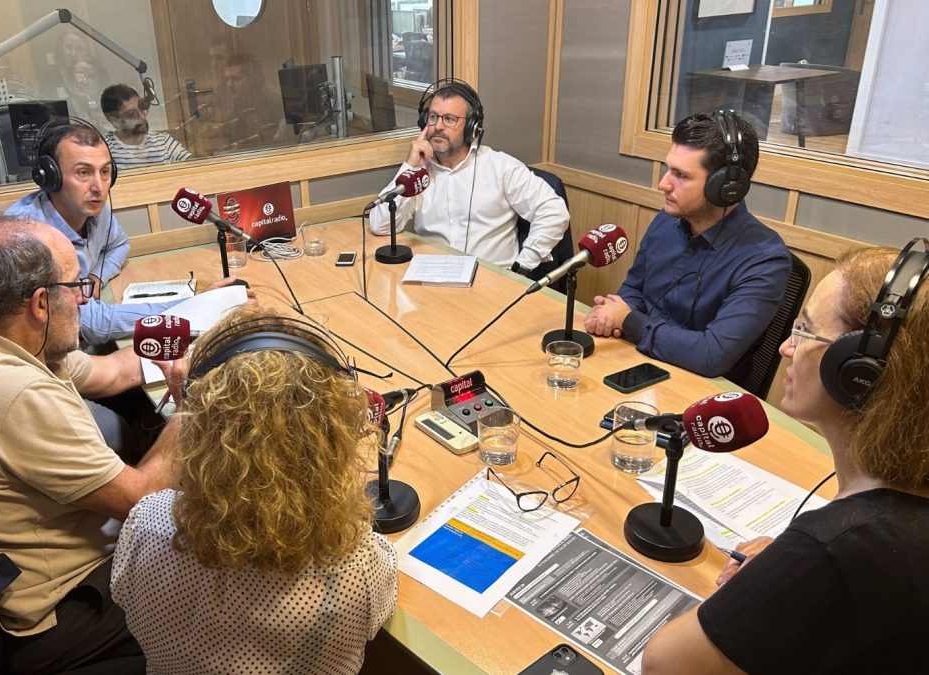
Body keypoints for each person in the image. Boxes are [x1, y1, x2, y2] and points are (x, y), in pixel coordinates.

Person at [0, 217, 189, 674]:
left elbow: (112, 372)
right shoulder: (14, 394)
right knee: (239, 563)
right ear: (40, 303)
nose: (84, 298)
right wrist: (192, 407)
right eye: (75, 286)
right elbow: (146, 498)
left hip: (15, 581)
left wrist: (191, 348)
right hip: (59, 613)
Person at [642, 242, 929, 674]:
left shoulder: (840, 545)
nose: (785, 348)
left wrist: (777, 582)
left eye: (805, 331)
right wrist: (793, 571)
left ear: (859, 372)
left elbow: (664, 664)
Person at [111, 307, 398, 674]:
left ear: (196, 425)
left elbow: (123, 595)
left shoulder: (146, 526)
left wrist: (185, 403)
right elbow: (378, 617)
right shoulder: (359, 562)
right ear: (335, 433)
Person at [583, 111, 791, 379]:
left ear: (726, 186)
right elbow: (635, 288)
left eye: (680, 175)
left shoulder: (765, 260)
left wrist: (628, 320)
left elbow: (711, 355)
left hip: (701, 389)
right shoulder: (667, 220)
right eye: (668, 168)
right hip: (639, 360)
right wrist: (611, 314)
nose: (663, 184)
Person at [5, 120, 186, 345]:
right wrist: (192, 306)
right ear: (50, 177)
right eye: (83, 172)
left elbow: (119, 245)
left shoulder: (95, 210)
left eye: (105, 172)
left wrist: (96, 278)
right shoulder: (28, 238)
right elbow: (93, 324)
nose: (99, 188)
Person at [368, 79, 569, 272]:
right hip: (431, 278)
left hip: (491, 282)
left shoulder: (501, 167)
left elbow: (554, 211)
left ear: (472, 126)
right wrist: (410, 166)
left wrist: (523, 265)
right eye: (433, 117)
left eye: (449, 119)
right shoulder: (418, 175)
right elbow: (380, 226)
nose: (438, 126)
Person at [101, 84, 191, 169]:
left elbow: (192, 167)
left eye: (142, 110)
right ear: (115, 121)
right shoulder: (105, 149)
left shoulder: (163, 142)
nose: (142, 117)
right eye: (132, 114)